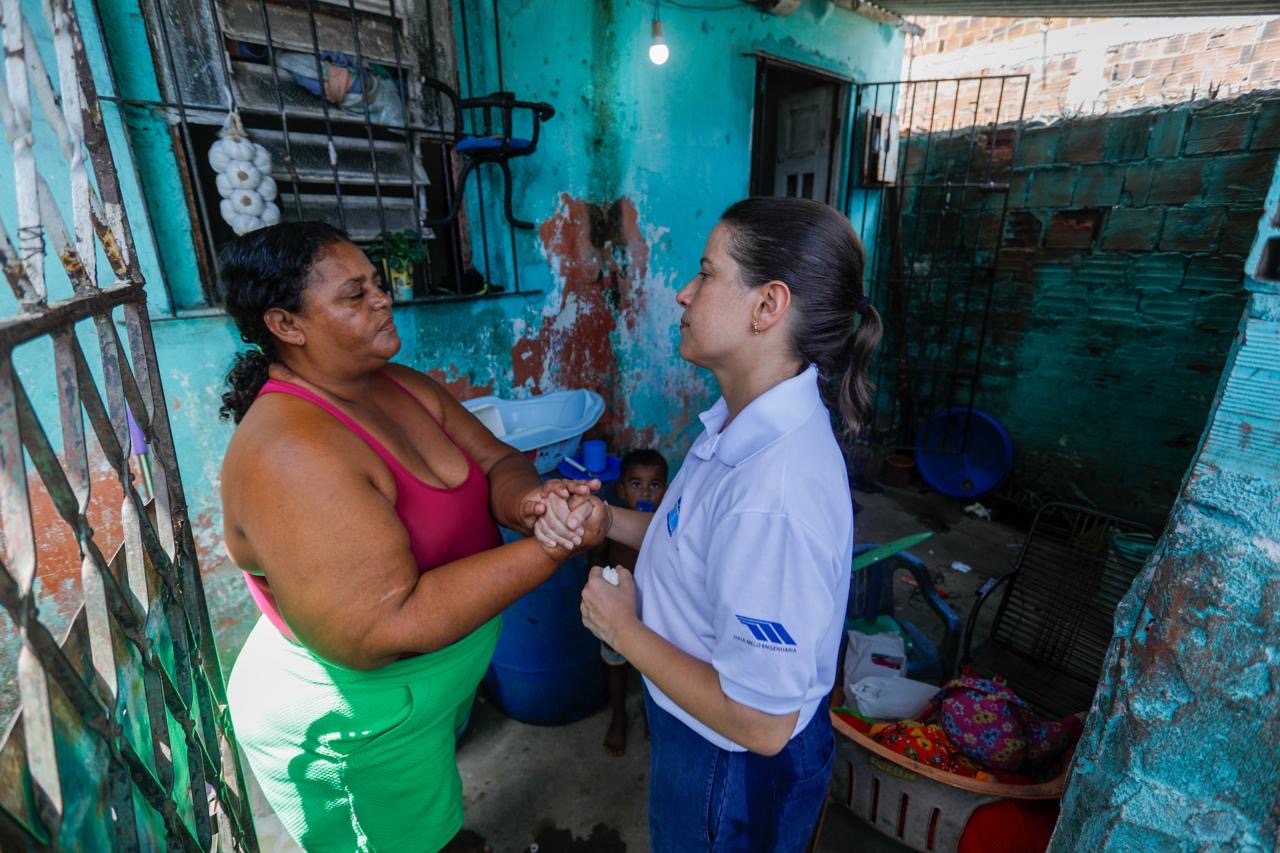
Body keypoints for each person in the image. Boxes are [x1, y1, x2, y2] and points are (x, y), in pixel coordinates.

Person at [217, 222, 609, 853]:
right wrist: (550, 547)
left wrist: (533, 504)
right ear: (287, 325)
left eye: (377, 283)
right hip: (356, 727)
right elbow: (382, 626)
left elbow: (494, 461)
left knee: (432, 825)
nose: (382, 300)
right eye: (354, 295)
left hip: (415, 702)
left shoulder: (399, 384)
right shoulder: (290, 452)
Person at [572, 197, 882, 851]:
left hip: (733, 770)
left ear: (767, 305)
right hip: (699, 733)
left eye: (707, 273)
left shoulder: (773, 495)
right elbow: (693, 541)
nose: (684, 292)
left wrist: (620, 628)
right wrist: (607, 521)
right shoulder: (737, 425)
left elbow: (760, 722)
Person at [596, 448, 668, 756]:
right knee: (616, 666)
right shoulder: (612, 529)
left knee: (656, 669)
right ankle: (619, 717)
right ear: (622, 490)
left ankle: (652, 716)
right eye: (636, 484)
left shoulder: (668, 529)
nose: (646, 493)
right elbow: (597, 563)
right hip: (617, 610)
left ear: (667, 490)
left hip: (655, 616)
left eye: (655, 485)